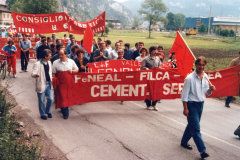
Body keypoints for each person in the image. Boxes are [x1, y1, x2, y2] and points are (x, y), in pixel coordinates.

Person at [181, 56, 216, 159]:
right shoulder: (189, 78)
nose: (201, 67)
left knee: (191, 125)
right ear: (195, 65)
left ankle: (183, 142)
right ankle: (202, 150)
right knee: (196, 129)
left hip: (201, 104)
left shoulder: (205, 77)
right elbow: (184, 95)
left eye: (203, 65)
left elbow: (206, 92)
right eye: (199, 64)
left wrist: (210, 90)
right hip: (191, 105)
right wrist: (185, 108)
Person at [52, 49, 79, 119]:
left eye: (62, 55)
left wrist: (72, 71)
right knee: (62, 97)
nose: (60, 56)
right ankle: (65, 113)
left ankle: (64, 109)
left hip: (68, 83)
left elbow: (77, 69)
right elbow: (53, 73)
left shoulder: (71, 61)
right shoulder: (55, 62)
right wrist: (54, 81)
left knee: (66, 97)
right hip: (60, 83)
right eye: (59, 55)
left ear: (66, 55)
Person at [31, 49, 53, 120]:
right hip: (41, 83)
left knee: (50, 98)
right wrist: (36, 74)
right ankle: (43, 113)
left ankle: (47, 110)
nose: (51, 57)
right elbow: (33, 73)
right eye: (49, 56)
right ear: (45, 56)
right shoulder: (37, 64)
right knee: (41, 100)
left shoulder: (49, 63)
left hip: (49, 83)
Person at [141, 46, 160, 111]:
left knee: (156, 91)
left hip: (156, 78)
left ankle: (154, 104)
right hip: (148, 78)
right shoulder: (146, 59)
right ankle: (148, 104)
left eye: (156, 50)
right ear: (151, 51)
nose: (156, 52)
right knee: (148, 91)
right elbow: (142, 67)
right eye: (154, 51)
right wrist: (145, 68)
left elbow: (159, 66)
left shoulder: (157, 58)